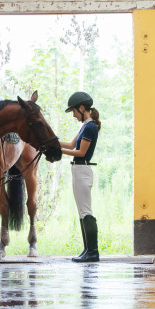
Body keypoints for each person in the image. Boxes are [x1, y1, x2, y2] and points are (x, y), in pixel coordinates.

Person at [60, 91, 101, 263]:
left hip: (82, 170)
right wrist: (50, 142)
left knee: (86, 212)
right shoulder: (84, 126)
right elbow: (70, 144)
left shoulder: (90, 127)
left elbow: (81, 152)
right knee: (82, 212)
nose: (74, 116)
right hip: (77, 170)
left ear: (82, 108)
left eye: (74, 112)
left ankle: (92, 252)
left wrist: (58, 151)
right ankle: (87, 250)